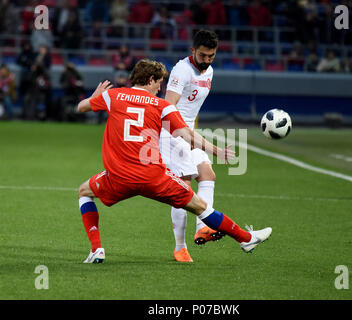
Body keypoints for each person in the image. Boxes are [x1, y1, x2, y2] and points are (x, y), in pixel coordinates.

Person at [76, 59, 272, 263]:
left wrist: (94, 97)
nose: (160, 88)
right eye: (159, 82)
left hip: (119, 177)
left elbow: (81, 108)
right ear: (150, 79)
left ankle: (97, 249)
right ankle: (246, 239)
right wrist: (216, 151)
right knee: (200, 206)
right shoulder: (162, 106)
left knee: (84, 192)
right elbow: (187, 135)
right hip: (154, 177)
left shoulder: (113, 95)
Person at [159, 30, 222, 263]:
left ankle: (203, 227)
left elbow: (191, 108)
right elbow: (169, 106)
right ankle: (180, 247)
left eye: (211, 56)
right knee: (182, 190)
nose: (207, 61)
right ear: (192, 50)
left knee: (207, 174)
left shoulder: (210, 71)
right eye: (203, 55)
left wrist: (193, 134)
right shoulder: (182, 70)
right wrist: (183, 134)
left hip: (188, 133)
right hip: (172, 134)